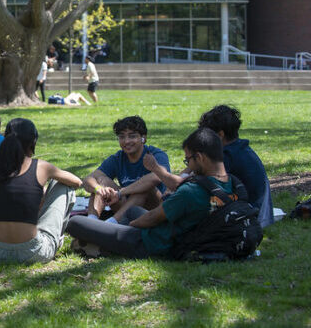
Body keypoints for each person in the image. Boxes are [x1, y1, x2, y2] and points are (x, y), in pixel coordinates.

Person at [67, 127, 244, 259]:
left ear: (201, 158)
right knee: (131, 211)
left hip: (151, 243)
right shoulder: (233, 183)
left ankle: (101, 243)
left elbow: (151, 219)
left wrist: (123, 228)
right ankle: (98, 240)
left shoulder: (191, 192)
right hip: (184, 232)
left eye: (188, 160)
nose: (187, 165)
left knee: (75, 223)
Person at [145, 106, 275, 228]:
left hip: (246, 219)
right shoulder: (239, 148)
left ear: (220, 135)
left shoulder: (225, 157)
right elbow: (186, 175)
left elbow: (180, 185)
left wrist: (156, 168)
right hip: (258, 215)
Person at [0, 118, 83, 264]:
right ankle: (56, 238)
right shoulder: (41, 167)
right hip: (33, 252)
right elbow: (77, 182)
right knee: (63, 185)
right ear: (33, 142)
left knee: (0, 196)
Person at [82, 116, 171, 223]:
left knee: (145, 188)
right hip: (127, 207)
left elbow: (155, 178)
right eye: (122, 137)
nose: (126, 141)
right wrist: (98, 189)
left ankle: (111, 224)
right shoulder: (118, 158)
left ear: (143, 138)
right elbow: (89, 178)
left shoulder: (156, 154)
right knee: (102, 182)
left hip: (155, 210)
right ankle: (91, 222)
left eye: (132, 136)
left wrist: (120, 193)